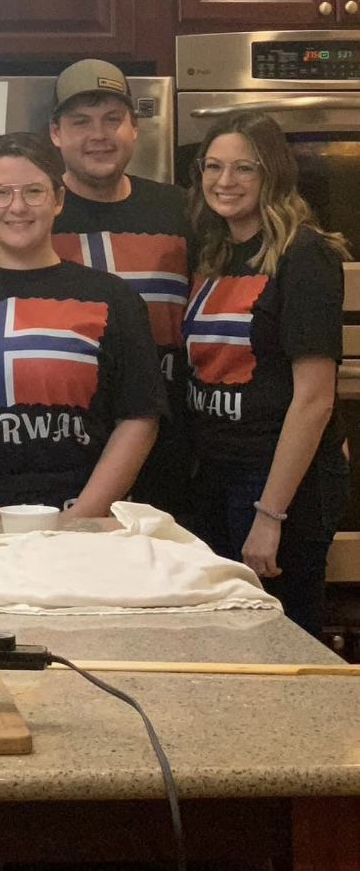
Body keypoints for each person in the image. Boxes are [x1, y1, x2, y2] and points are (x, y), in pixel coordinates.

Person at [0, 132, 165, 517]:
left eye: (33, 191)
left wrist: (82, 516)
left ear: (58, 199)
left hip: (86, 521)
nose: (17, 207)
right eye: (1, 193)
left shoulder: (113, 299)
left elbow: (139, 418)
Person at [183, 112, 350, 636]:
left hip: (278, 483)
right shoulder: (216, 251)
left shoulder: (304, 256)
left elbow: (315, 400)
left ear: (272, 174)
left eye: (243, 168)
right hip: (218, 470)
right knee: (227, 638)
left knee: (281, 640)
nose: (224, 181)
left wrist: (269, 516)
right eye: (213, 166)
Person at [48, 59, 193, 518]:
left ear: (135, 128)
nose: (99, 134)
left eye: (113, 119)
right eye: (81, 122)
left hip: (175, 439)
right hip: (66, 442)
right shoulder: (30, 214)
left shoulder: (181, 210)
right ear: (56, 133)